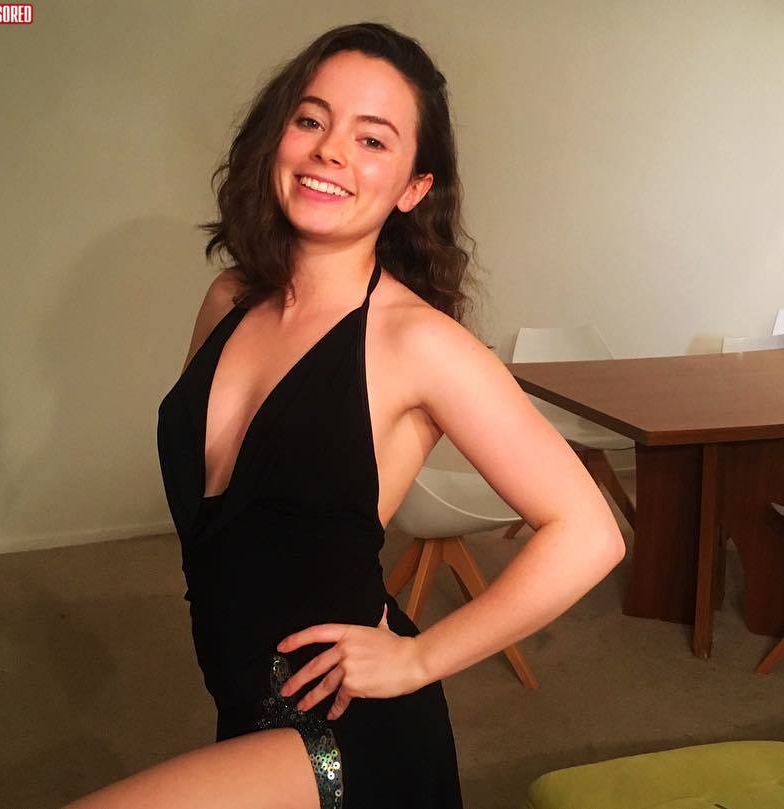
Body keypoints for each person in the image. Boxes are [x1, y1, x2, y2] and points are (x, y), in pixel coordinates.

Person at [66, 21, 625, 809]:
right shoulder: (229, 299)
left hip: (345, 732)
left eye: (372, 139)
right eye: (311, 119)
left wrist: (418, 658)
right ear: (278, 137)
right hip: (242, 707)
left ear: (413, 188)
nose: (330, 151)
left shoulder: (417, 342)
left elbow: (590, 532)